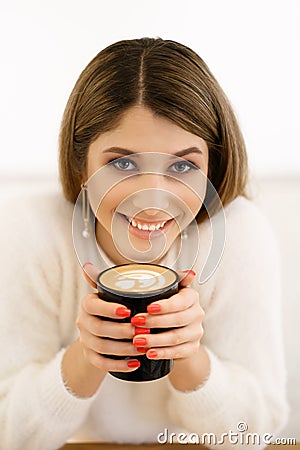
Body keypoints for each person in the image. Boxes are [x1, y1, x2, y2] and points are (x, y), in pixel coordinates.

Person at [0, 38, 288, 449]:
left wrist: (188, 356)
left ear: (212, 167)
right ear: (81, 165)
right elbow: (10, 435)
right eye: (122, 163)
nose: (153, 199)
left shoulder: (240, 235)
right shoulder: (26, 230)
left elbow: (254, 436)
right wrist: (87, 356)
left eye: (183, 165)